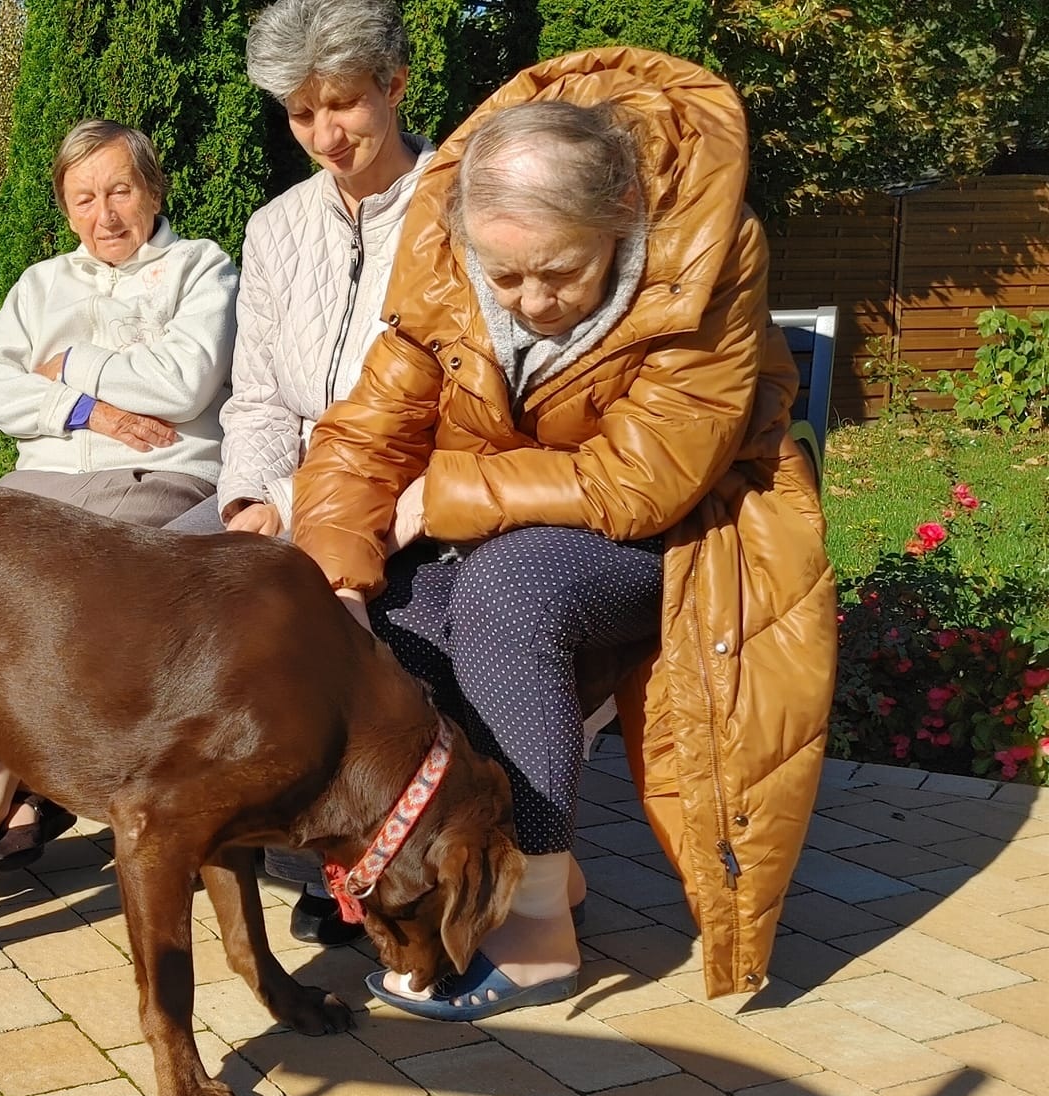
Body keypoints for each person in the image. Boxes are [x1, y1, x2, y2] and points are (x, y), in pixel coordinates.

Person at [292, 47, 836, 1020]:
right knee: (401, 615)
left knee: (510, 597)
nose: (531, 302)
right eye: (503, 277)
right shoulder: (446, 268)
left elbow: (646, 480)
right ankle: (483, 863)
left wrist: (446, 491)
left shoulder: (711, 254)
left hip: (686, 533)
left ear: (621, 213)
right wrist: (335, 577)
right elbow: (360, 439)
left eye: (559, 272)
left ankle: (539, 931)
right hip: (510, 518)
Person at [0, 119, 237, 882]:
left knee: (67, 591)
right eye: (84, 198)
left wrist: (69, 362)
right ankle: (38, 787)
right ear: (64, 206)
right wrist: (82, 410)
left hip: (158, 477)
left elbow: (184, 380)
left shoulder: (198, 268)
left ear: (152, 189)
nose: (104, 215)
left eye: (119, 190)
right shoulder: (43, 283)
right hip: (42, 477)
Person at [171, 0, 435, 947]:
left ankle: (359, 849)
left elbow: (450, 399)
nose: (325, 134)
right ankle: (250, 831)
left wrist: (290, 504)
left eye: (344, 105)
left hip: (408, 483)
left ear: (396, 86)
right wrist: (248, 497)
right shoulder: (276, 226)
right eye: (300, 112)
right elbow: (256, 398)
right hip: (285, 481)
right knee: (163, 580)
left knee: (338, 625)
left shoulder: (457, 202)